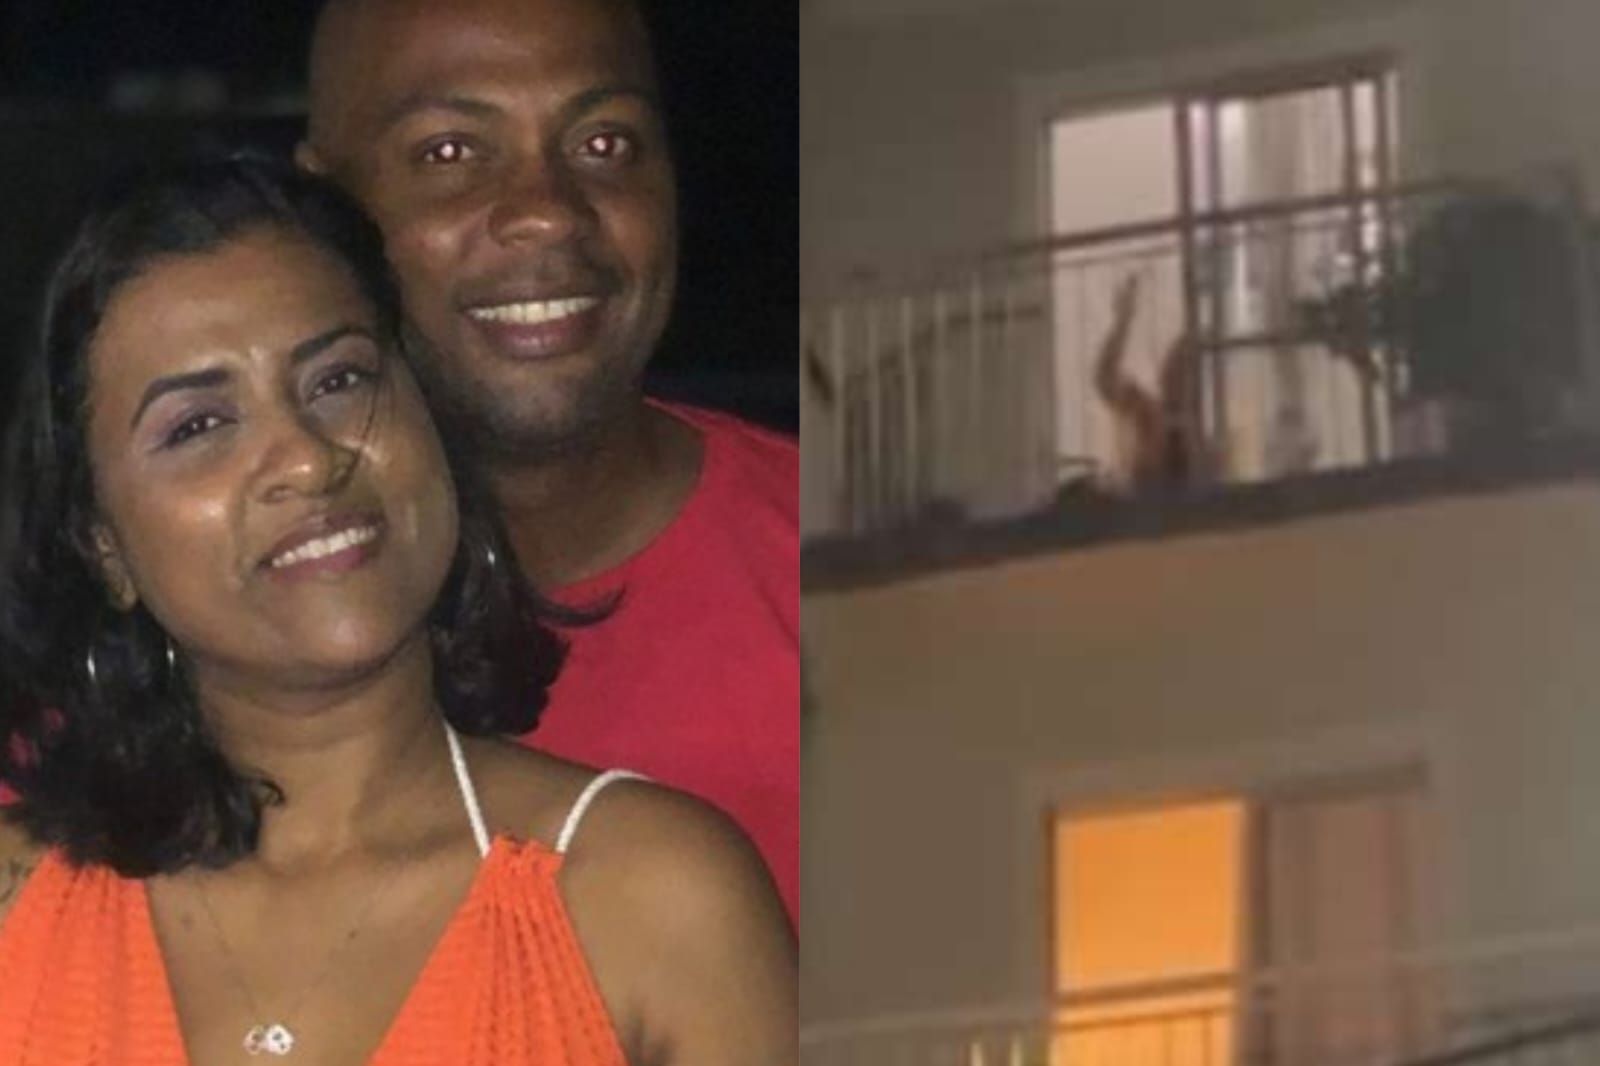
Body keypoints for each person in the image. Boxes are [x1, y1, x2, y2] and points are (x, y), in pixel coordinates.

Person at [0, 157, 794, 1064]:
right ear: (103, 544)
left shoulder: (654, 900)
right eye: (199, 426)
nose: (308, 458)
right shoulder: (16, 903)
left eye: (338, 380)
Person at [297, 0, 799, 924]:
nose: (546, 213)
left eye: (605, 144)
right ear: (323, 213)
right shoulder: (175, 662)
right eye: (450, 152)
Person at [1092, 274, 1209, 493]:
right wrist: (1123, 321)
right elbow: (1105, 379)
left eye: (1182, 367)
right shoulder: (1149, 411)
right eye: (1173, 361)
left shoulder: (1205, 430)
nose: (1172, 371)